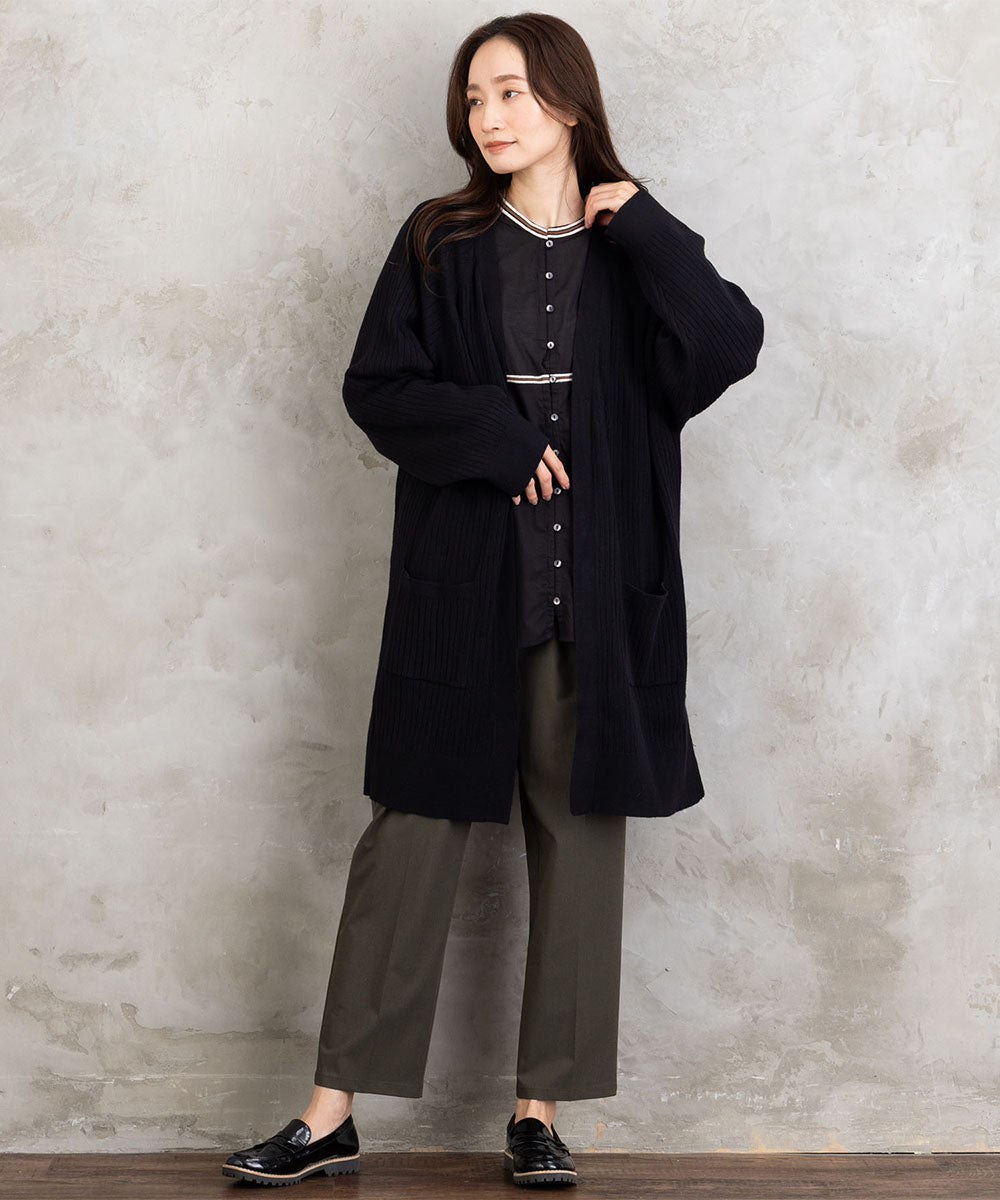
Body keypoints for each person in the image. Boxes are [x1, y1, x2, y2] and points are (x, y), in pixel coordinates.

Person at [221, 10, 764, 1189]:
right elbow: (378, 387)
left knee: (580, 851)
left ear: (566, 100)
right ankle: (329, 1114)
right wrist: (496, 438)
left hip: (598, 608)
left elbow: (726, 346)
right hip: (463, 595)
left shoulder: (634, 248)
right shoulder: (440, 240)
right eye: (474, 98)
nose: (488, 116)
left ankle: (536, 1114)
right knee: (408, 839)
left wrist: (647, 223)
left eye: (509, 92)